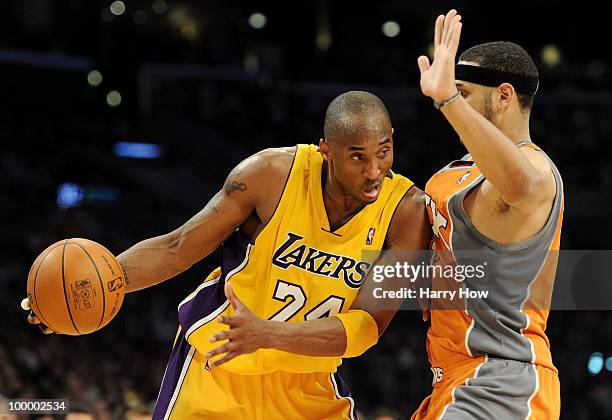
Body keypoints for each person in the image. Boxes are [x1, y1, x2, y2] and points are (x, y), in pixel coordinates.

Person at [25, 91, 431, 419]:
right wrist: (93, 288)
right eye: (358, 156)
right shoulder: (269, 176)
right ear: (326, 149)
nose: (375, 170)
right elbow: (178, 247)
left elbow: (367, 326)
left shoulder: (405, 210)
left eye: (384, 151)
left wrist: (268, 334)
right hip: (218, 364)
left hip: (308, 382)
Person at [412, 10, 563, 419]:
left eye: (464, 92)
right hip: (453, 378)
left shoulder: (536, 170)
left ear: (504, 96)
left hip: (500, 378)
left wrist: (447, 100)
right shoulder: (455, 171)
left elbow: (521, 186)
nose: (451, 101)